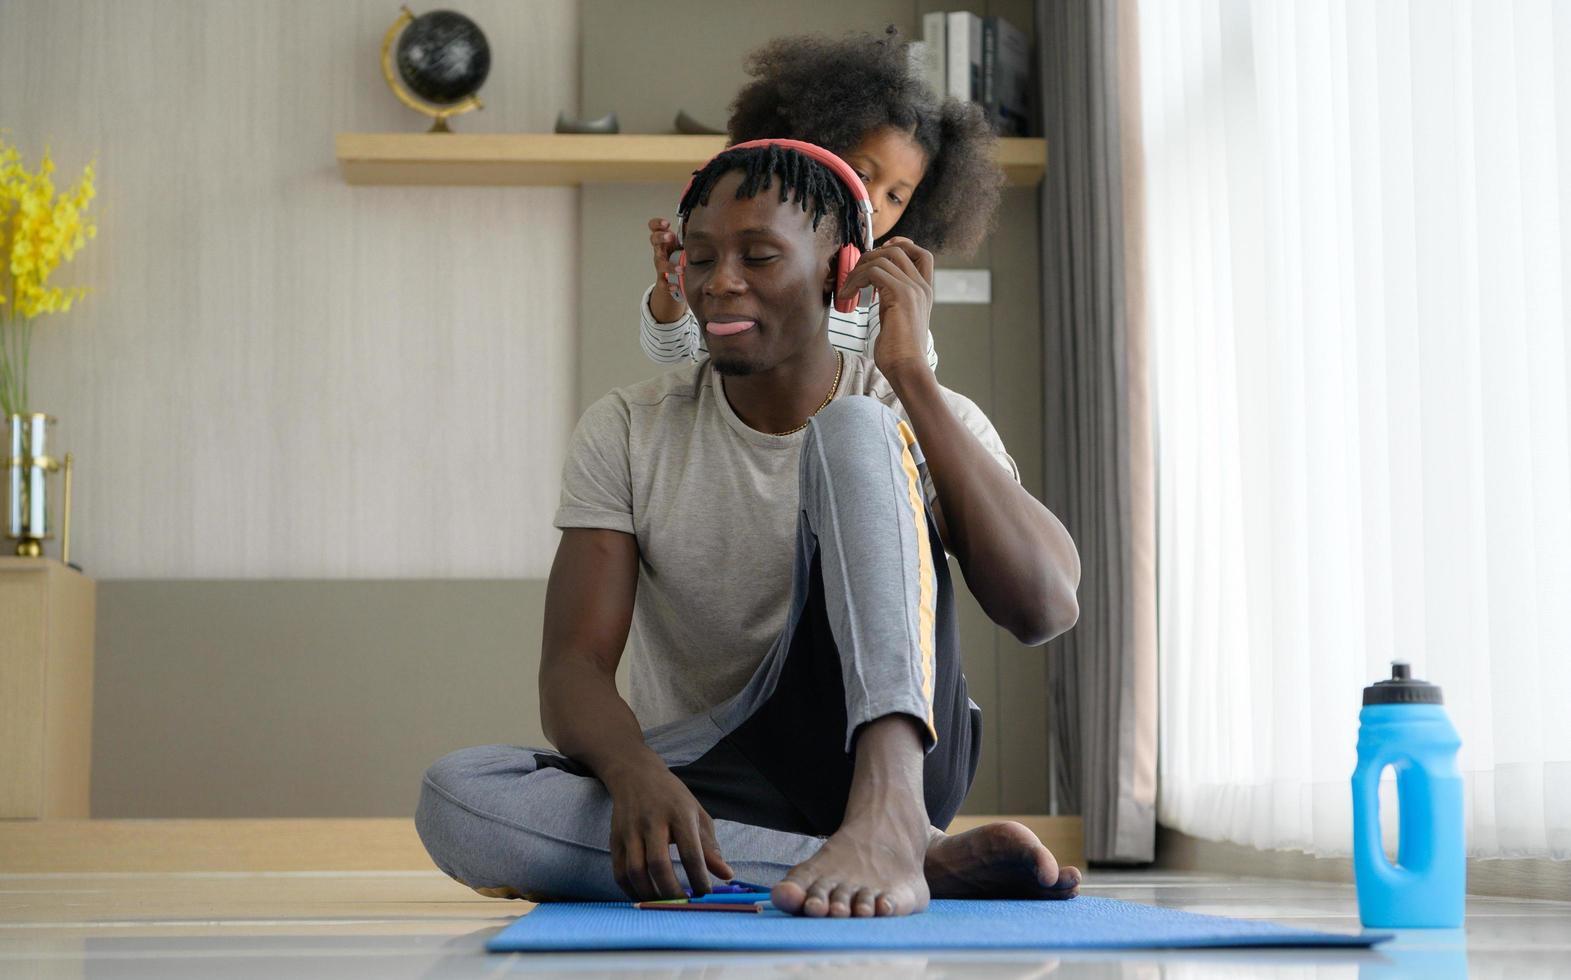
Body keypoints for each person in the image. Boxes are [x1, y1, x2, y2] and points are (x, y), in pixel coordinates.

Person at [416, 142, 1081, 919]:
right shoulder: (628, 428)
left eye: (759, 256)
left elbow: (1043, 609)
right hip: (722, 772)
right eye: (700, 258)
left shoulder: (909, 407)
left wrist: (910, 376)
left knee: (855, 430)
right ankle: (920, 859)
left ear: (840, 273)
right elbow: (574, 663)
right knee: (459, 797)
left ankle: (889, 813)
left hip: (896, 760)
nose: (720, 282)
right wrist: (633, 771)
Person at [640, 27, 1003, 373]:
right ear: (811, 159)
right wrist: (671, 286)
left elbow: (910, 371)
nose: (873, 202)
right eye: (862, 175)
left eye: (895, 196)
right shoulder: (728, 273)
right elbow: (667, 350)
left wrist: (907, 310)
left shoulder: (875, 293)